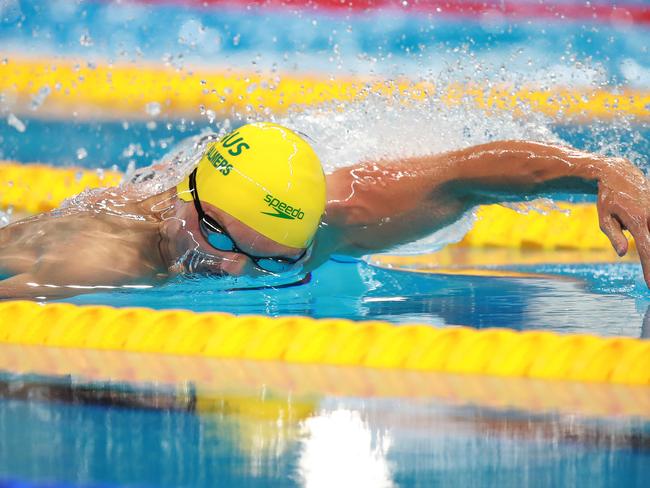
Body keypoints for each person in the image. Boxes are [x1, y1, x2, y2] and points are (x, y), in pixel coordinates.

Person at [1, 122, 649, 300]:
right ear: (183, 197)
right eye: (216, 234)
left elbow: (465, 175)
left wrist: (604, 170)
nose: (230, 269)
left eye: (266, 259)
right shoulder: (101, 259)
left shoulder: (338, 213)